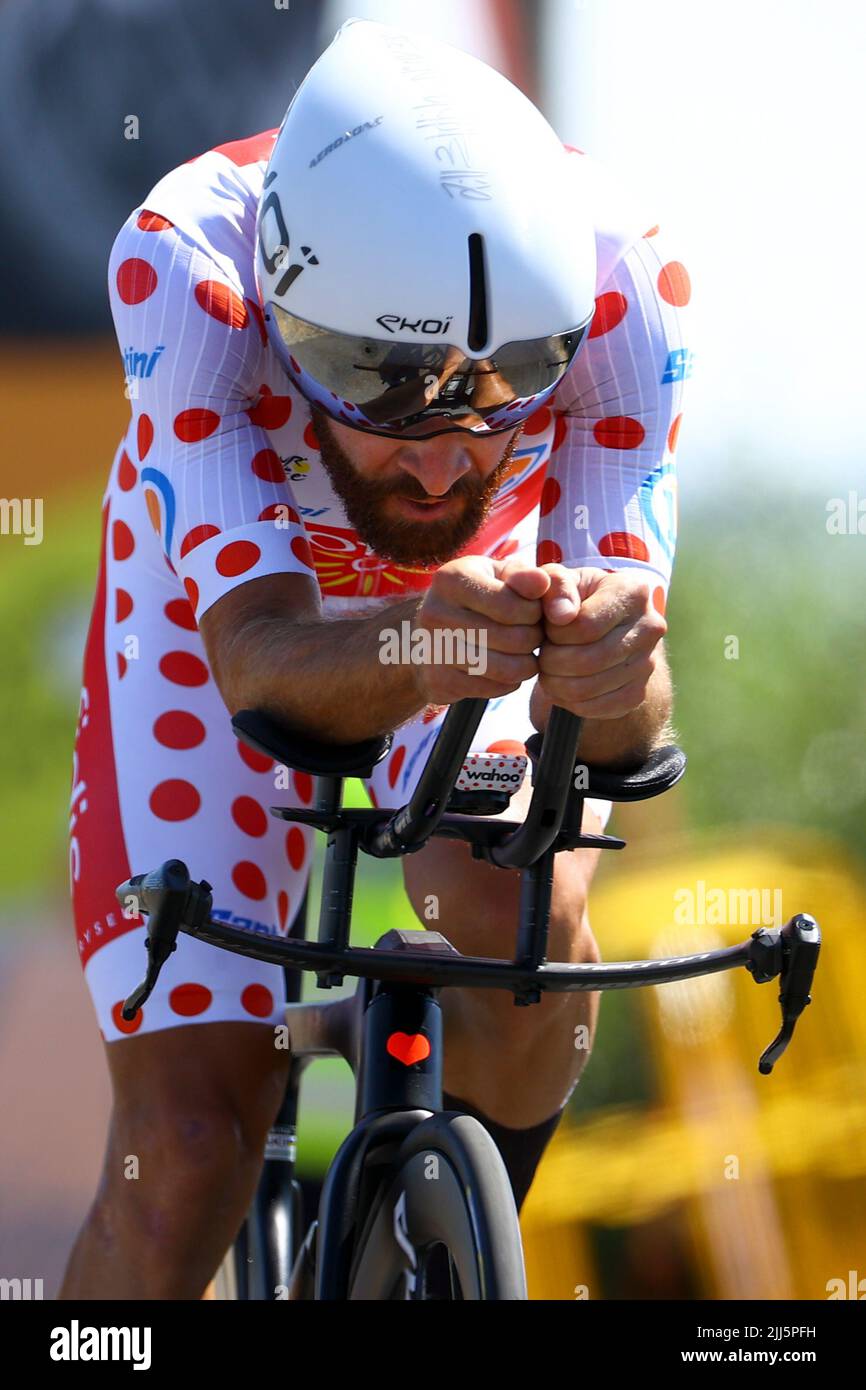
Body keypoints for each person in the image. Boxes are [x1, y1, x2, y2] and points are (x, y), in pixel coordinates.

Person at [61, 17, 691, 1299]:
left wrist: (611, 667)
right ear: (290, 318)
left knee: (530, 932)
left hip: (474, 619)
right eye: (380, 390)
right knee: (184, 1156)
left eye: (502, 393)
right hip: (220, 618)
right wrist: (419, 637)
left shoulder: (628, 277)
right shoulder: (191, 266)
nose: (443, 459)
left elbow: (630, 733)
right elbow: (258, 662)